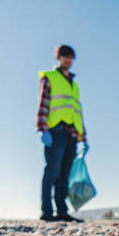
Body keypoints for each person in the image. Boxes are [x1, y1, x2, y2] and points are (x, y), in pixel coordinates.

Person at [36, 45, 88, 222]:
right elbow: (43, 103)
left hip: (72, 134)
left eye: (71, 57)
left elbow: (77, 111)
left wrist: (83, 136)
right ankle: (47, 212)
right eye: (65, 56)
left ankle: (62, 211)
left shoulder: (74, 84)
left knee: (65, 174)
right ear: (59, 58)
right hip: (55, 131)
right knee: (52, 171)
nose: (69, 60)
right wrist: (42, 129)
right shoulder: (50, 78)